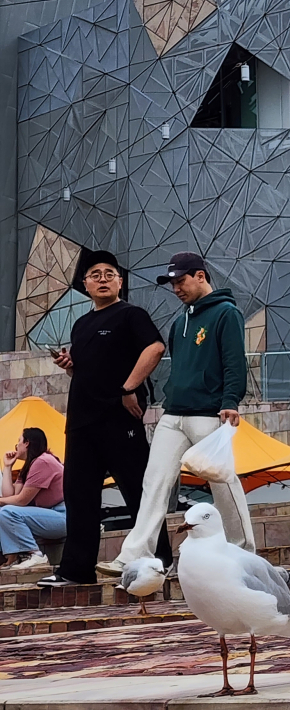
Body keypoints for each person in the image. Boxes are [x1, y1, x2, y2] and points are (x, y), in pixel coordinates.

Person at [97, 252, 253, 577]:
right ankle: (133, 554)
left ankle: (243, 553)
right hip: (174, 412)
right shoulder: (180, 321)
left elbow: (235, 363)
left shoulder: (226, 313)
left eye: (181, 281)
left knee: (222, 482)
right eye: (172, 283)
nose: (176, 288)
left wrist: (230, 402)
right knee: (154, 481)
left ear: (200, 276)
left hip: (209, 412)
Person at [39, 251, 170, 587]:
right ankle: (75, 571)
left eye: (109, 273)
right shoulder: (81, 324)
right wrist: (71, 365)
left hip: (120, 418)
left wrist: (129, 387)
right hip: (82, 422)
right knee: (79, 497)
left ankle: (160, 563)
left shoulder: (131, 315)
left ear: (120, 282)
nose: (102, 279)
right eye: (94, 274)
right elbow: (89, 370)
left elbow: (155, 348)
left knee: (139, 493)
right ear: (85, 284)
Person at [0, 428, 65, 572]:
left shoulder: (43, 462)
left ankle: (35, 555)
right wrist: (7, 466)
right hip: (50, 515)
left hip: (64, 516)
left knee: (7, 512)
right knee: (5, 510)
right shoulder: (30, 465)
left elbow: (21, 501)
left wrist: (2, 502)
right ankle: (14, 557)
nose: (16, 446)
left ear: (27, 443)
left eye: (19, 442)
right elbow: (8, 496)